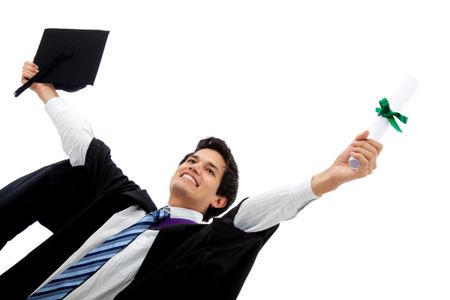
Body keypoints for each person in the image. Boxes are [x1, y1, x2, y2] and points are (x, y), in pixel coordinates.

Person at [0, 62, 383, 300]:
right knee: (67, 171)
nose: (194, 166)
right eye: (191, 159)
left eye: (209, 170)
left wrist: (326, 179)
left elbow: (250, 216)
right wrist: (46, 91)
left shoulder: (200, 243)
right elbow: (86, 144)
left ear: (219, 199)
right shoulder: (125, 201)